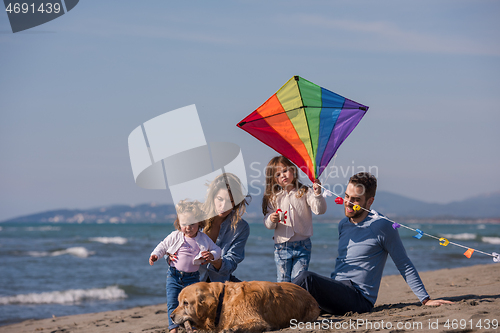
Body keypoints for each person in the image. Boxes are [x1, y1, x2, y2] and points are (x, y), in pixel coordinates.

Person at [293, 172, 453, 315]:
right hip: (338, 290)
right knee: (299, 291)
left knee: (307, 279)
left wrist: (425, 299)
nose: (348, 202)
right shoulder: (344, 224)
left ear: (369, 201)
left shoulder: (382, 226)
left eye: (355, 199)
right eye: (347, 196)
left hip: (359, 298)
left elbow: (404, 263)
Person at [149, 200, 221, 333]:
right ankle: (173, 328)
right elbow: (163, 246)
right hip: (174, 276)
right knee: (172, 303)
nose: (188, 227)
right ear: (179, 223)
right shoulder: (175, 236)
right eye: (184, 224)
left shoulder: (203, 238)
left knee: (192, 305)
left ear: (199, 223)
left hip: (192, 278)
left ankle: (192, 327)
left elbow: (217, 250)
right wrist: (155, 255)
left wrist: (211, 255)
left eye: (192, 224)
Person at [263, 156, 327, 282]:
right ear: (273, 179)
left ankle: (297, 302)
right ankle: (284, 302)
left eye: (285, 170)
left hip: (303, 246)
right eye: (278, 174)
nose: (283, 176)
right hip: (282, 246)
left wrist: (317, 194)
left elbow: (319, 210)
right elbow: (268, 223)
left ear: (293, 170)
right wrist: (271, 219)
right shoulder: (273, 197)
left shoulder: (304, 192)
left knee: (298, 280)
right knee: (283, 281)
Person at [198, 173, 251, 283]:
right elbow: (175, 242)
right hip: (190, 279)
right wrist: (170, 255)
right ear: (212, 196)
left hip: (219, 281)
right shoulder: (196, 215)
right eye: (220, 199)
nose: (224, 206)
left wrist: (216, 261)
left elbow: (231, 263)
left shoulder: (241, 227)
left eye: (230, 201)